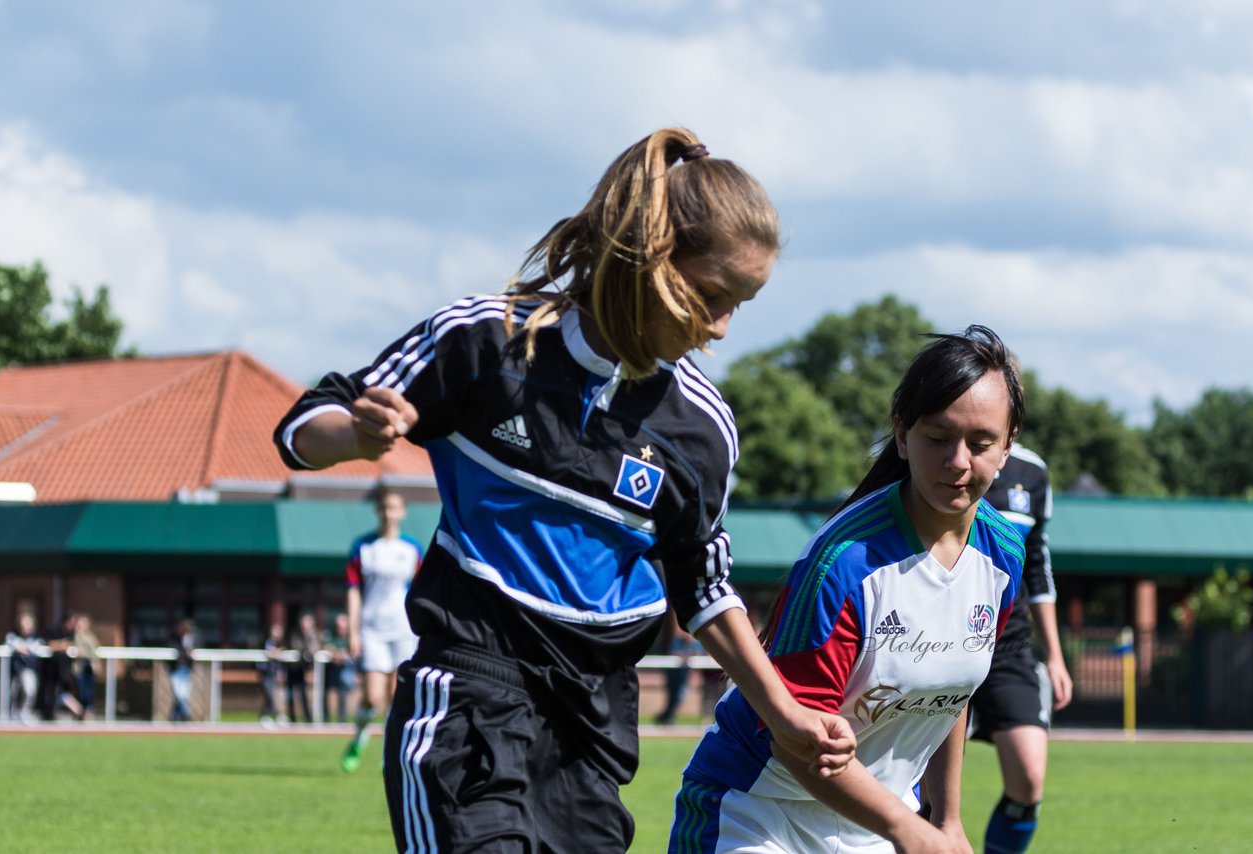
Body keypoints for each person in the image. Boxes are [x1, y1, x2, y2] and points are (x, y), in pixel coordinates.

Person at [273, 127, 855, 852]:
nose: (722, 328)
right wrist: (355, 437)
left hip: (592, 724)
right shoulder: (488, 342)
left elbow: (704, 587)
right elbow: (303, 423)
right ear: (648, 256)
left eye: (743, 303)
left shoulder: (704, 431)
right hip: (469, 689)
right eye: (710, 296)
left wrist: (783, 712)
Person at [670, 325, 1027, 854]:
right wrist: (908, 828)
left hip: (879, 821)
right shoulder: (845, 561)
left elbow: (950, 696)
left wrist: (946, 819)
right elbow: (794, 740)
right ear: (902, 436)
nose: (957, 461)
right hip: (759, 813)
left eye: (980, 444)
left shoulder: (1004, 555)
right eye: (937, 437)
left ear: (1007, 447)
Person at [965, 441, 1072, 853]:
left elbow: (1037, 565)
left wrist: (1056, 657)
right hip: (935, 640)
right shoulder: (943, 456)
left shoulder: (1033, 471)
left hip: (1008, 646)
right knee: (923, 791)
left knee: (1028, 778)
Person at [334, 487, 422, 771]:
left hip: (403, 630)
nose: (388, 513)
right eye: (384, 507)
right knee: (372, 696)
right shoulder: (363, 548)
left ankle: (390, 756)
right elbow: (353, 591)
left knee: (397, 697)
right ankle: (359, 737)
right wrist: (353, 632)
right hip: (372, 630)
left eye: (394, 507)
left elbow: (420, 591)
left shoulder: (412, 549)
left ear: (403, 512)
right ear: (378, 511)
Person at [655, 609, 703, 726]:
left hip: (684, 675)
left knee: (680, 696)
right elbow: (672, 652)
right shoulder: (676, 640)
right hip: (673, 674)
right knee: (672, 695)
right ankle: (666, 717)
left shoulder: (696, 642)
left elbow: (700, 653)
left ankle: (666, 716)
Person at [285, 612, 323, 724]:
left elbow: (316, 647)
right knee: (291, 693)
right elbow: (295, 647)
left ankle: (308, 717)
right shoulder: (295, 634)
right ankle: (292, 717)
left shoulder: (314, 634)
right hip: (293, 668)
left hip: (306, 669)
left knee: (303, 693)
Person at [5, 612, 43, 724]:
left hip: (28, 669)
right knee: (13, 693)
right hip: (15, 670)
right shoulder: (13, 635)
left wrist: (24, 648)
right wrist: (19, 647)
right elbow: (10, 642)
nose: (25, 629)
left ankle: (25, 712)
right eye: (23, 626)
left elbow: (36, 647)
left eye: (28, 626)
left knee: (30, 691)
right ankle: (13, 715)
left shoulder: (36, 637)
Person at [323, 612, 357, 723]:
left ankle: (343, 717)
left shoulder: (351, 637)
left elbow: (354, 650)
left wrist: (343, 654)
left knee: (344, 693)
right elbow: (326, 646)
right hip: (331, 669)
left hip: (345, 669)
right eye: (338, 627)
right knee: (328, 692)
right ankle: (326, 716)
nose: (340, 629)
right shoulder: (331, 635)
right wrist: (335, 653)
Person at [71, 612, 102, 720]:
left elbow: (94, 651)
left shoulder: (91, 637)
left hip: (89, 666)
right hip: (79, 667)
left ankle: (88, 711)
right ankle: (79, 712)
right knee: (80, 690)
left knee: (89, 691)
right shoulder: (74, 635)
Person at [169, 618, 199, 723]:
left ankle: (174, 716)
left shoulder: (192, 639)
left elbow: (198, 647)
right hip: (176, 670)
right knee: (179, 693)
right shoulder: (174, 638)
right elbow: (173, 650)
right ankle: (186, 712)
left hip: (187, 669)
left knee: (183, 694)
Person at [258, 622, 286, 726]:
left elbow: (280, 660)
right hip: (266, 673)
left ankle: (270, 716)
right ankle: (272, 716)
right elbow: (270, 653)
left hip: (275, 673)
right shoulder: (266, 641)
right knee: (269, 694)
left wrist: (281, 672)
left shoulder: (282, 643)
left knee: (277, 695)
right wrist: (276, 653)